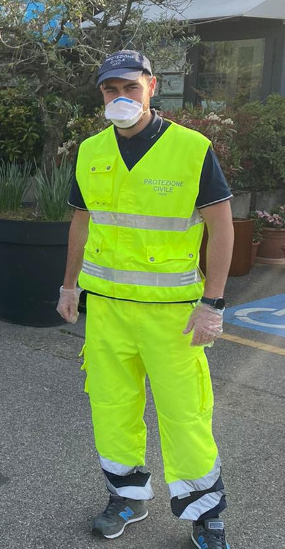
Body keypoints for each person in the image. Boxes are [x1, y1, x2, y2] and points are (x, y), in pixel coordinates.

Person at [57, 50, 233, 549]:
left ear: (151, 87)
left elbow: (220, 227)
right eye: (111, 91)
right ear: (101, 96)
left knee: (186, 415)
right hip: (108, 311)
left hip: (173, 317)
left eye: (130, 88)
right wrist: (69, 285)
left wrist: (213, 304)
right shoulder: (92, 150)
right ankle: (127, 497)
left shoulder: (191, 148)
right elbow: (80, 221)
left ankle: (206, 514)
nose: (120, 99)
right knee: (112, 409)